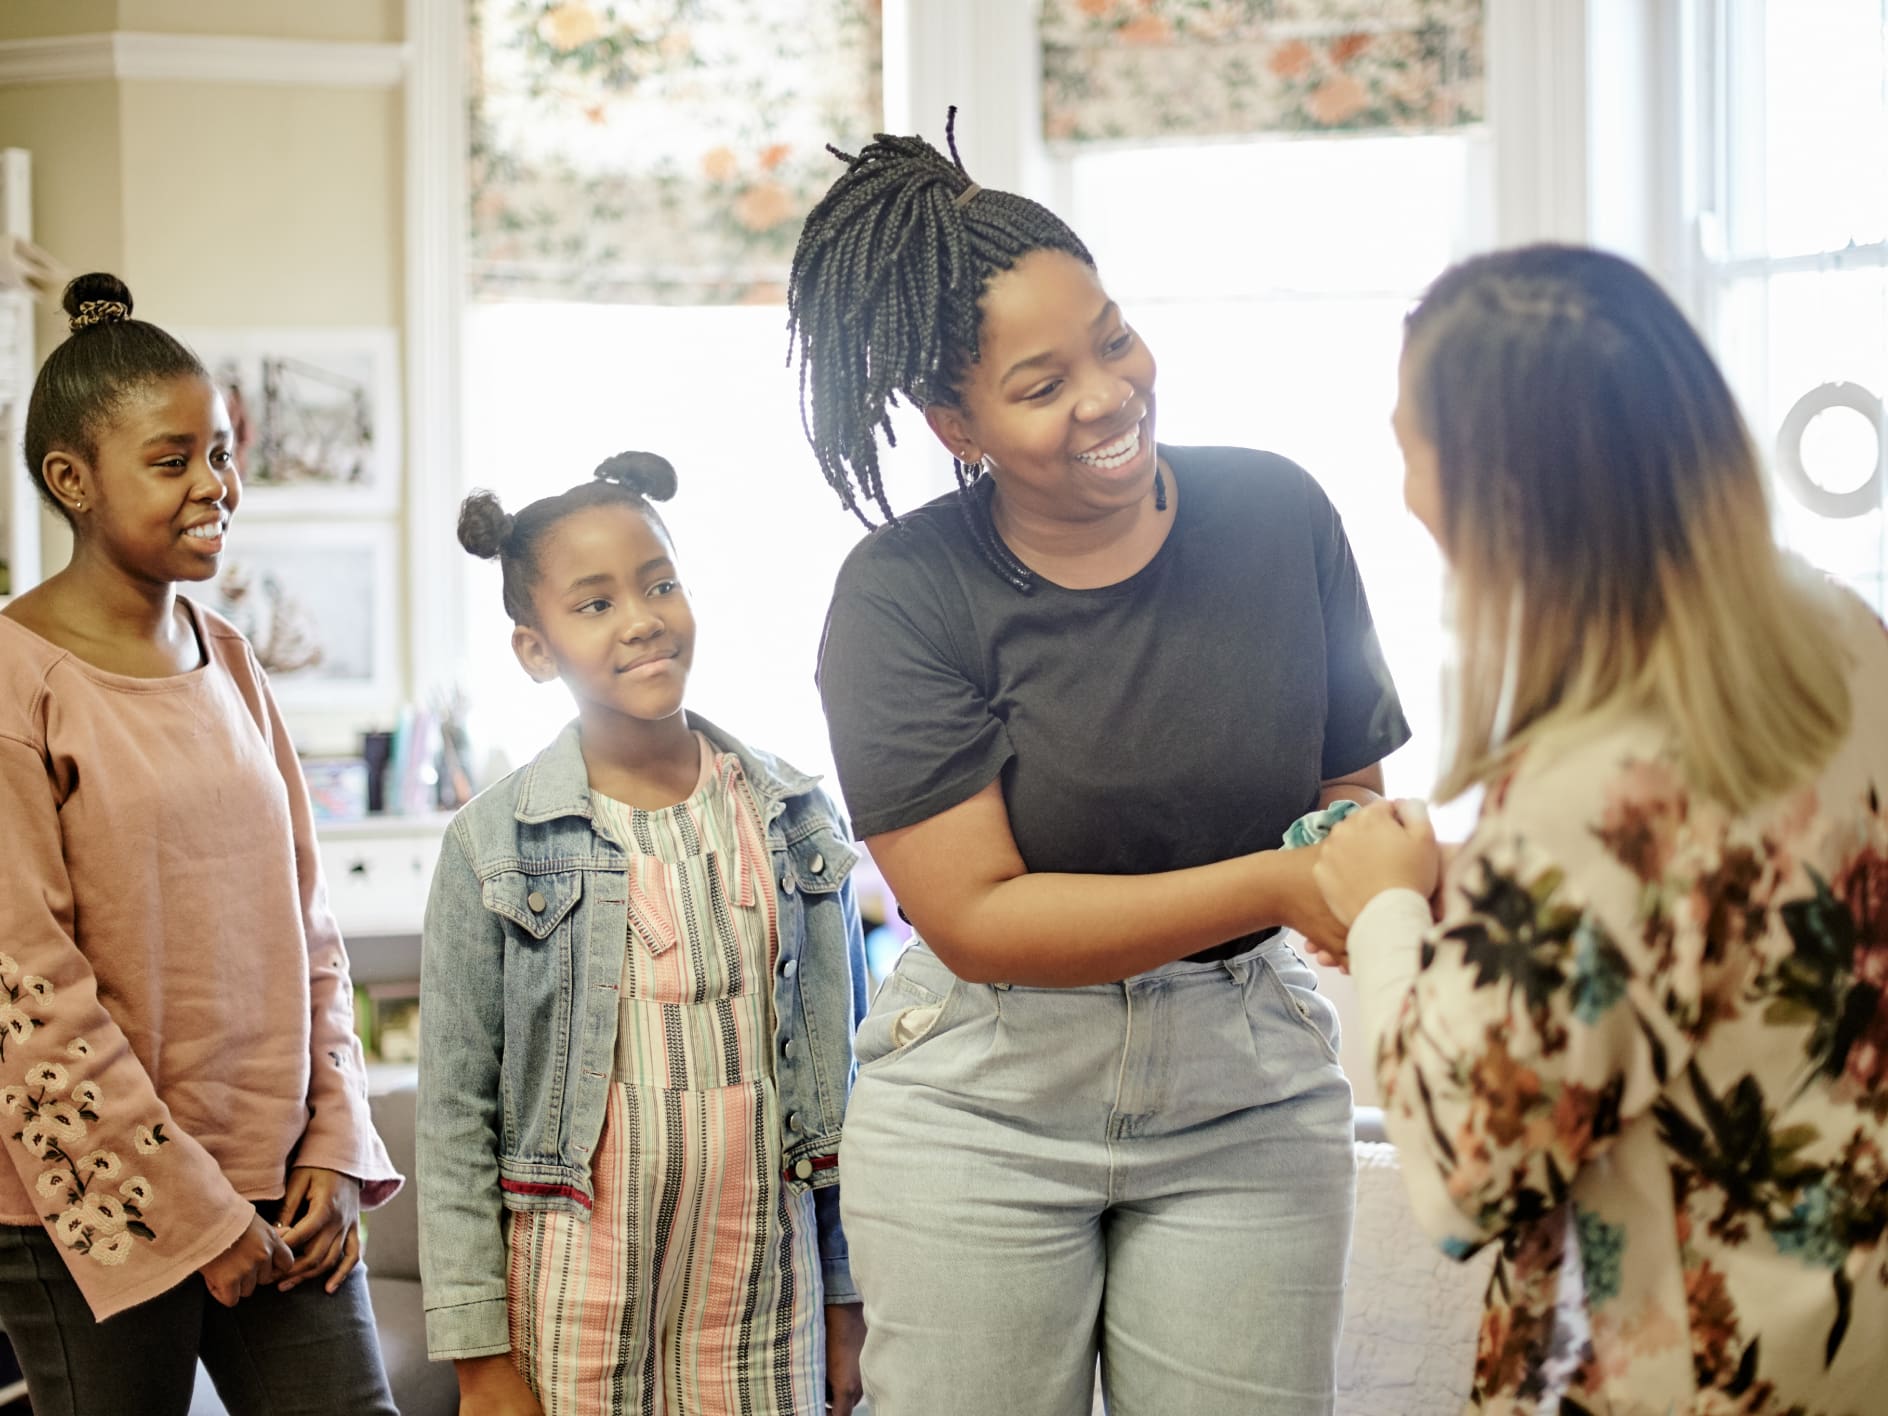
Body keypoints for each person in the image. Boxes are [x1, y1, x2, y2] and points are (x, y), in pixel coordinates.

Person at [785, 113, 1410, 1415]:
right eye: (1042, 384)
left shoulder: (1279, 515)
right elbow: (982, 916)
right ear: (954, 419)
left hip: (1247, 1086)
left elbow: (1347, 788)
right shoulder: (901, 596)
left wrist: (1350, 864)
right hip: (984, 1103)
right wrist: (1283, 888)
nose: (1110, 395)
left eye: (1114, 338)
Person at [1312, 244, 1888, 1413]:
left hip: (1686, 1359)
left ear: (1502, 494)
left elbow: (1461, 1180)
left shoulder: (1581, 773)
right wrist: (1484, 894)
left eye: (1410, 446)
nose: (1407, 487)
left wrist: (1385, 910)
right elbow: (1726, 894)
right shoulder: (1832, 629)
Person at [0, 273, 401, 1413]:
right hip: (93, 1200)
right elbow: (25, 990)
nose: (216, 486)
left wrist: (334, 1137)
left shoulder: (230, 655)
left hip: (285, 1185)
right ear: (70, 480)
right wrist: (191, 1214)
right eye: (172, 461)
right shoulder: (14, 680)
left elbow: (307, 924)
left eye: (221, 453)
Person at [418, 453, 869, 1416]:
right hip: (577, 1286)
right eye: (593, 604)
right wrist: (477, 1357)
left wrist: (845, 1292)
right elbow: (456, 1111)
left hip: (761, 1281)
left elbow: (842, 1084)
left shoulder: (792, 815)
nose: (641, 618)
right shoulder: (491, 843)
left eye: (659, 583)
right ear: (535, 650)